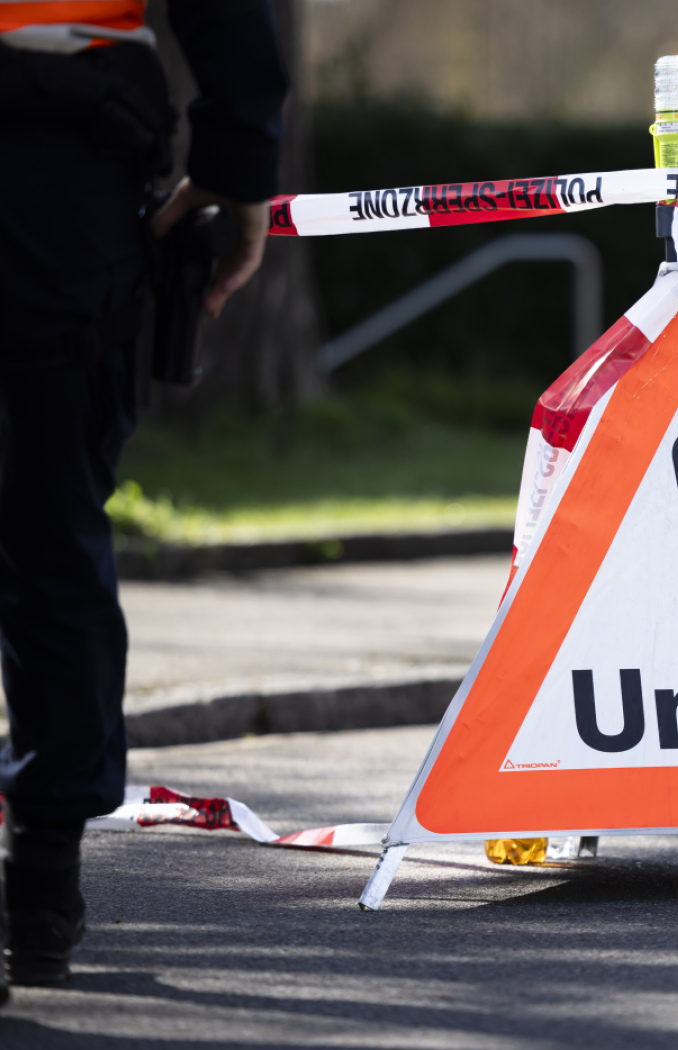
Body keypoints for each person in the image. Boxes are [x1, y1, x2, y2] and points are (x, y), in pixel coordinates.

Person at [0, 0, 288, 998]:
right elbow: (233, 28)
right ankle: (40, 881)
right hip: (62, 169)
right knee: (51, 530)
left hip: (69, 145)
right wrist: (238, 165)